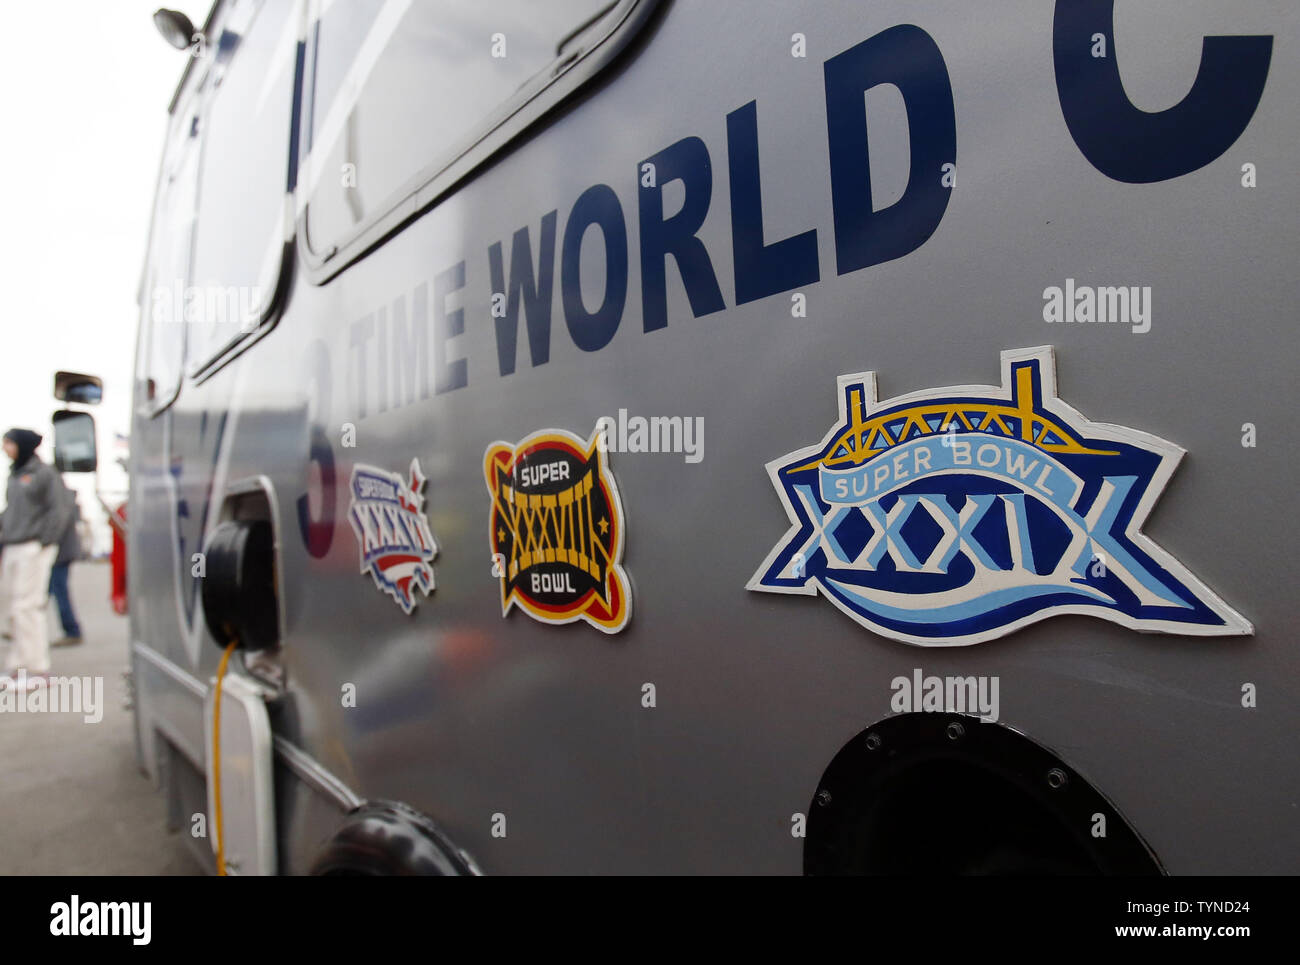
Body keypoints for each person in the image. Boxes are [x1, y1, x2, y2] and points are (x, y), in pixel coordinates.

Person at [0, 428, 71, 691]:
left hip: (33, 546)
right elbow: (11, 511)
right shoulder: (14, 475)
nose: (5, 448)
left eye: (8, 443)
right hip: (12, 545)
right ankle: (18, 664)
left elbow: (59, 509)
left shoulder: (43, 473)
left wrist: (45, 541)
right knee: (11, 608)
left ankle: (38, 668)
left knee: (27, 606)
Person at [48, 484, 84, 646]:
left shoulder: (60, 503)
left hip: (59, 554)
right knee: (46, 591)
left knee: (58, 590)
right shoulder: (64, 501)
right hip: (59, 552)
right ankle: (18, 626)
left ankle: (72, 630)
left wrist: (45, 541)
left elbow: (57, 527)